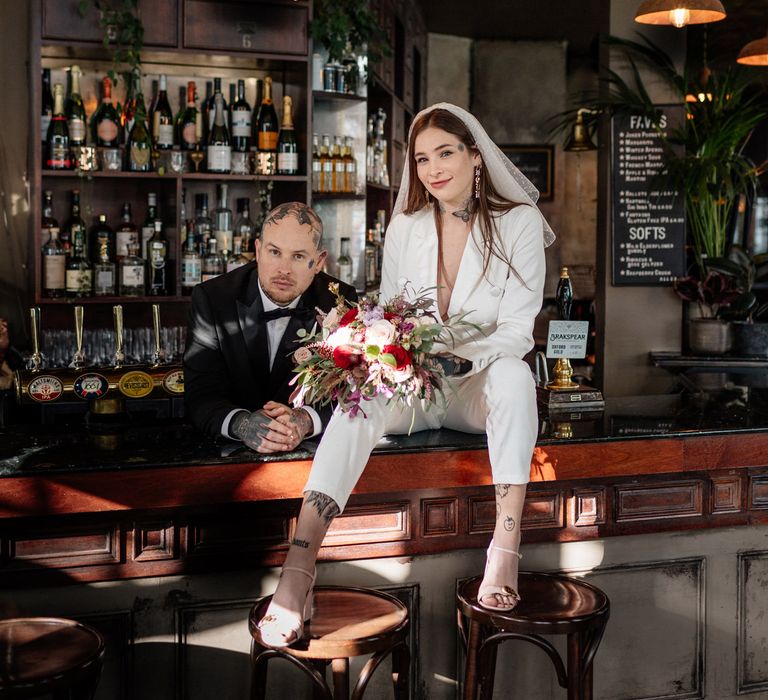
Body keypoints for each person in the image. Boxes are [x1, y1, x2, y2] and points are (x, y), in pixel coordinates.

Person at [257, 103, 555, 647]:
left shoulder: (520, 223)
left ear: (475, 156)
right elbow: (392, 313)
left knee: (514, 374)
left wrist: (464, 359)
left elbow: (519, 328)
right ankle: (300, 564)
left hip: (475, 387)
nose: (434, 168)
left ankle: (505, 547)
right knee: (359, 397)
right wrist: (378, 346)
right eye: (422, 158)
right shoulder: (406, 227)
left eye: (446, 152)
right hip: (416, 387)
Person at [183, 201, 357, 453]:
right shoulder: (212, 298)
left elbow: (350, 390)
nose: (283, 269)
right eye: (274, 252)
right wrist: (242, 424)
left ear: (319, 261)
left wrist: (305, 420)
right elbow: (200, 394)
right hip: (225, 458)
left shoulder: (339, 302)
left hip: (312, 458)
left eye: (298, 256)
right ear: (258, 250)